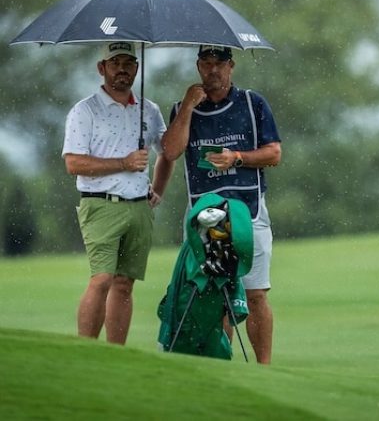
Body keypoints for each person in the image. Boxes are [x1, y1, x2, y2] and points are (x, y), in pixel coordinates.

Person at [162, 45, 281, 364]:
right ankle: (221, 367)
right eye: (206, 63)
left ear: (232, 66)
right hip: (205, 217)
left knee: (256, 294)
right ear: (198, 65)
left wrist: (237, 158)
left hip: (249, 211)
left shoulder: (252, 103)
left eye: (219, 64)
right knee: (214, 297)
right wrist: (187, 106)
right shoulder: (182, 108)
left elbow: (273, 154)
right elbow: (171, 152)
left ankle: (264, 369)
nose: (212, 70)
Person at [62, 41, 174, 345]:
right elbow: (74, 163)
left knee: (125, 284)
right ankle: (87, 350)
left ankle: (116, 354)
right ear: (102, 68)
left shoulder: (148, 110)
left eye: (128, 63)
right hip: (101, 205)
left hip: (139, 207)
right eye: (115, 63)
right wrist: (123, 163)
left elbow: (169, 152)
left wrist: (158, 191)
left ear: (137, 68)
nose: (122, 69)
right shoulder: (85, 111)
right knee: (102, 279)